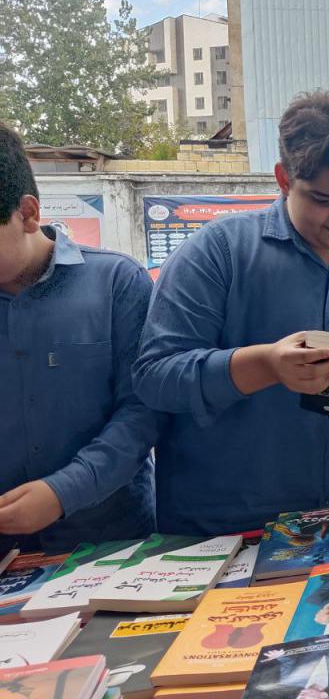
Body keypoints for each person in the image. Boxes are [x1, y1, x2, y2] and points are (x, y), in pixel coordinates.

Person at [133, 92, 329, 536]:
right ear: (284, 179)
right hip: (227, 526)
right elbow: (155, 378)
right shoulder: (218, 252)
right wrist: (264, 365)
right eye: (323, 199)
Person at [0, 122, 159, 552]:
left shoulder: (116, 284)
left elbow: (143, 410)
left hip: (111, 544)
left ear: (28, 214)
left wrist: (64, 491)